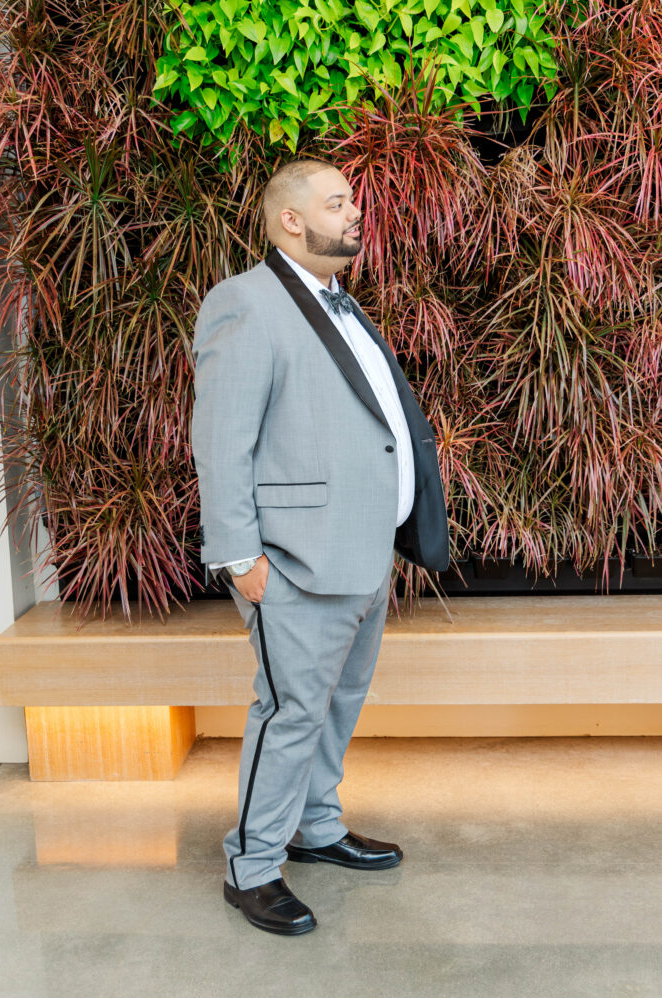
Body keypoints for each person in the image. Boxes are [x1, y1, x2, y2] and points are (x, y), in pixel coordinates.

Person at [191, 158, 449, 935]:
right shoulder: (244, 304)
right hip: (294, 560)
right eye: (337, 202)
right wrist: (241, 557)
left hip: (363, 552)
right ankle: (253, 864)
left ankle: (316, 827)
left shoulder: (337, 303)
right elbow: (220, 443)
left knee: (335, 704)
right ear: (290, 220)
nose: (354, 213)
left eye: (353, 201)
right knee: (291, 711)